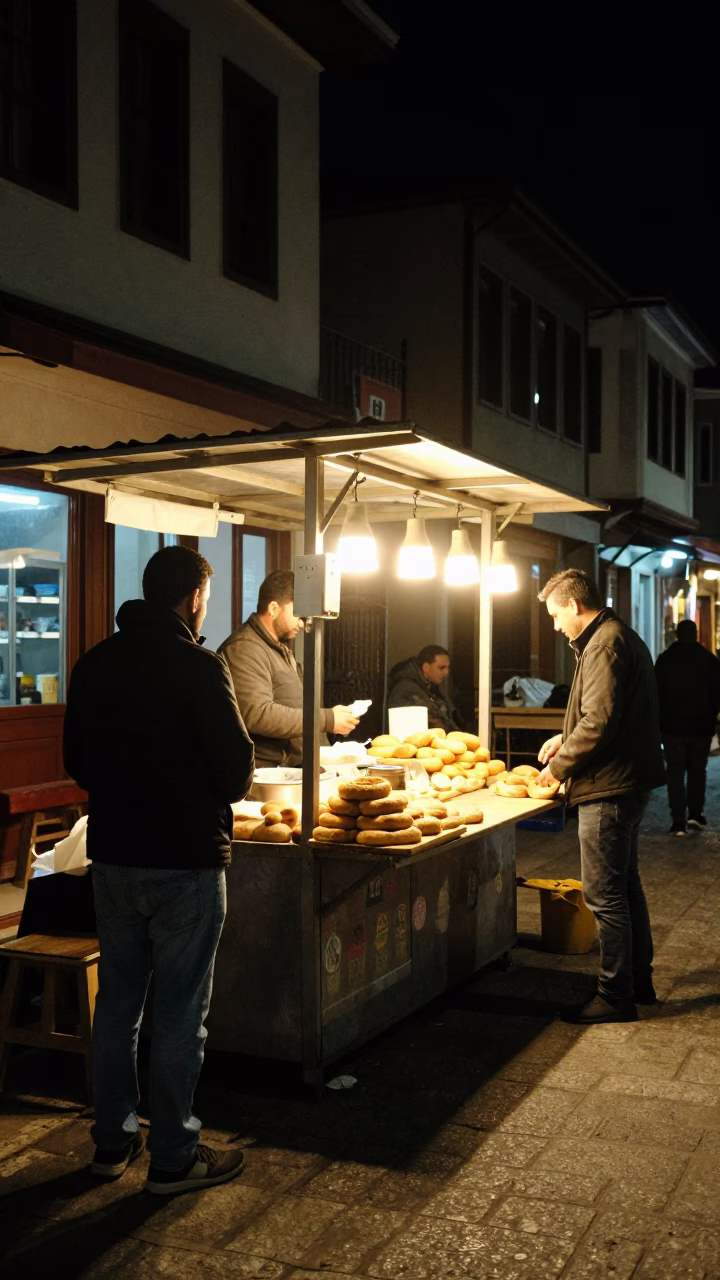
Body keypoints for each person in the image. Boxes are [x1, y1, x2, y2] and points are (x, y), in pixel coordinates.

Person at [63, 546, 254, 1195]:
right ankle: (173, 1155)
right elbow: (234, 775)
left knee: (117, 1005)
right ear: (194, 597)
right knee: (178, 1012)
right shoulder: (200, 667)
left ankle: (111, 1144)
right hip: (186, 862)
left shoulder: (94, 664)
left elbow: (78, 763)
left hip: (115, 858)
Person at [535, 568, 665, 1024]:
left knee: (604, 896)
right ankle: (639, 982)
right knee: (627, 888)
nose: (555, 625)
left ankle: (614, 995)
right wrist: (562, 736)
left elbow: (600, 722)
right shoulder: (615, 636)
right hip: (628, 780)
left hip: (610, 785)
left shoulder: (604, 644)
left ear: (573, 605)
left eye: (555, 615)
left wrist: (557, 768)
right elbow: (600, 715)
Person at [218, 569, 359, 767]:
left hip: (292, 769)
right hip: (265, 774)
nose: (302, 623)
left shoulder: (278, 647)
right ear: (274, 608)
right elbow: (257, 714)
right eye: (298, 615)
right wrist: (325, 719)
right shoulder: (244, 648)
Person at [655, 618, 720, 835]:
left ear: (677, 635)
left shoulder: (665, 660)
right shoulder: (708, 660)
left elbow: (655, 693)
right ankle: (695, 814)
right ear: (696, 634)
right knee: (697, 771)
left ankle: (677, 821)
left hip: (672, 727)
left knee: (674, 772)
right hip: (701, 727)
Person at [387, 645, 465, 734]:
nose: (446, 672)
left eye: (447, 667)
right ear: (426, 667)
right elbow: (429, 723)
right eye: (441, 668)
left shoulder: (431, 687)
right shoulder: (405, 689)